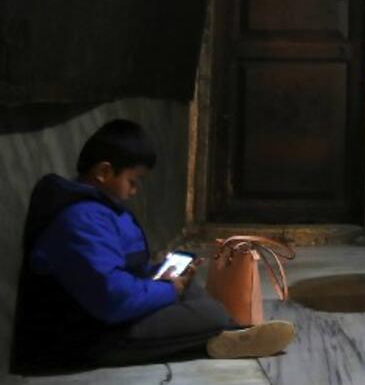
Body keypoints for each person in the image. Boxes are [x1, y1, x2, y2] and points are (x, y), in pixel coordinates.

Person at [10, 119, 295, 373]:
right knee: (210, 313)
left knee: (192, 293)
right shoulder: (80, 220)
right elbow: (112, 298)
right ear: (104, 172)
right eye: (133, 181)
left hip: (101, 320)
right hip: (83, 338)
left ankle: (223, 336)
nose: (135, 191)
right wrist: (167, 289)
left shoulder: (97, 208)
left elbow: (118, 270)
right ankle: (221, 336)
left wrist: (157, 273)